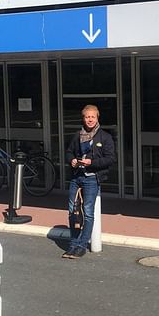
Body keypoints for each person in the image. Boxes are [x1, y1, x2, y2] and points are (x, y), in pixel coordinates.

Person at [63, 104, 116, 259]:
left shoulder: (105, 137)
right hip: (76, 177)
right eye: (87, 117)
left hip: (92, 179)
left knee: (88, 213)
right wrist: (71, 160)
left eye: (93, 116)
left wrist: (91, 163)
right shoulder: (77, 135)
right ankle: (72, 244)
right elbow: (69, 152)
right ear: (83, 118)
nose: (90, 120)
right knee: (73, 212)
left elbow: (111, 158)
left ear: (97, 117)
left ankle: (81, 246)